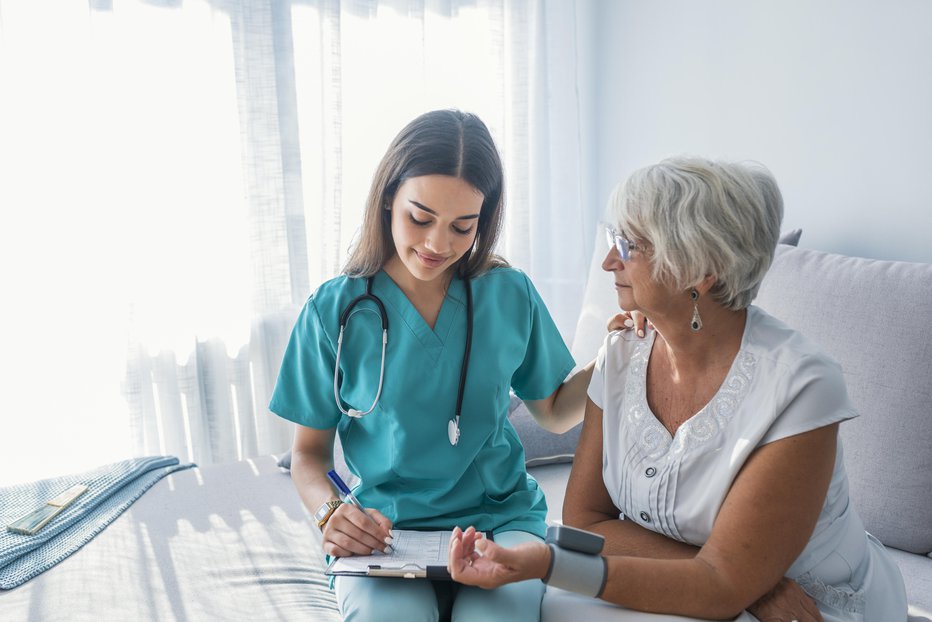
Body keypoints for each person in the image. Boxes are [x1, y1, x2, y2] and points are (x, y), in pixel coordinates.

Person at [448, 157, 908, 621]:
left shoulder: (801, 387)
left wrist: (552, 564)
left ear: (700, 271)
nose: (610, 260)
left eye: (628, 246)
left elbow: (719, 586)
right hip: (742, 589)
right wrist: (748, 582)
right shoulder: (624, 352)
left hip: (804, 606)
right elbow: (587, 522)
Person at [269, 109, 591, 621]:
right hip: (386, 528)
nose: (438, 245)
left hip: (499, 520)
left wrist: (617, 357)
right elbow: (309, 454)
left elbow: (552, 412)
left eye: (463, 226)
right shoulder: (334, 311)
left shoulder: (508, 295)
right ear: (388, 200)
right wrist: (333, 513)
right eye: (420, 219)